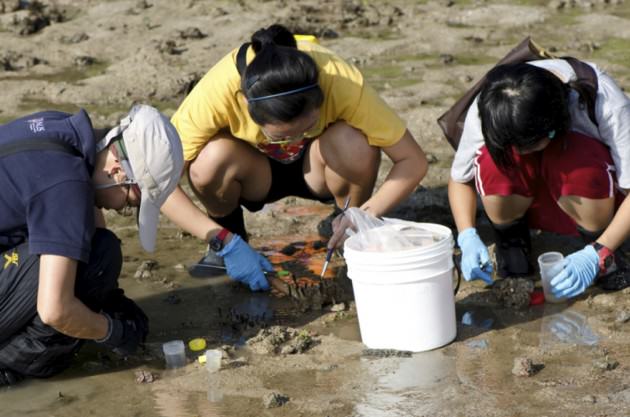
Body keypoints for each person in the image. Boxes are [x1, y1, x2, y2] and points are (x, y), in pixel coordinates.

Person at [162, 24, 428, 291]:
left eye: (307, 128)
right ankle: (230, 241)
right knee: (208, 161)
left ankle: (347, 231)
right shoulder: (217, 91)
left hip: (321, 168)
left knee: (355, 142)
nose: (292, 140)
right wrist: (223, 241)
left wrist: (364, 214)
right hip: (254, 173)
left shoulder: (338, 78)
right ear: (245, 103)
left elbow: (412, 161)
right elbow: (159, 184)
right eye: (279, 136)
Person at [0, 104, 184, 386]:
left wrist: (111, 298)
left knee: (96, 252)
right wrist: (112, 331)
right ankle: (12, 362)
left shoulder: (64, 132)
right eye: (128, 204)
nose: (120, 210)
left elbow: (84, 219)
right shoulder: (65, 181)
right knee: (97, 260)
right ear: (118, 172)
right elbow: (54, 310)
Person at [448, 59, 630, 299]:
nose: (521, 153)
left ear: (554, 125)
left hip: (591, 196)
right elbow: (459, 179)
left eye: (527, 146)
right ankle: (512, 242)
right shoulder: (494, 107)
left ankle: (603, 248)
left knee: (576, 155)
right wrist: (467, 235)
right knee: (494, 161)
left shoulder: (604, 102)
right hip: (526, 198)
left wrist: (598, 251)